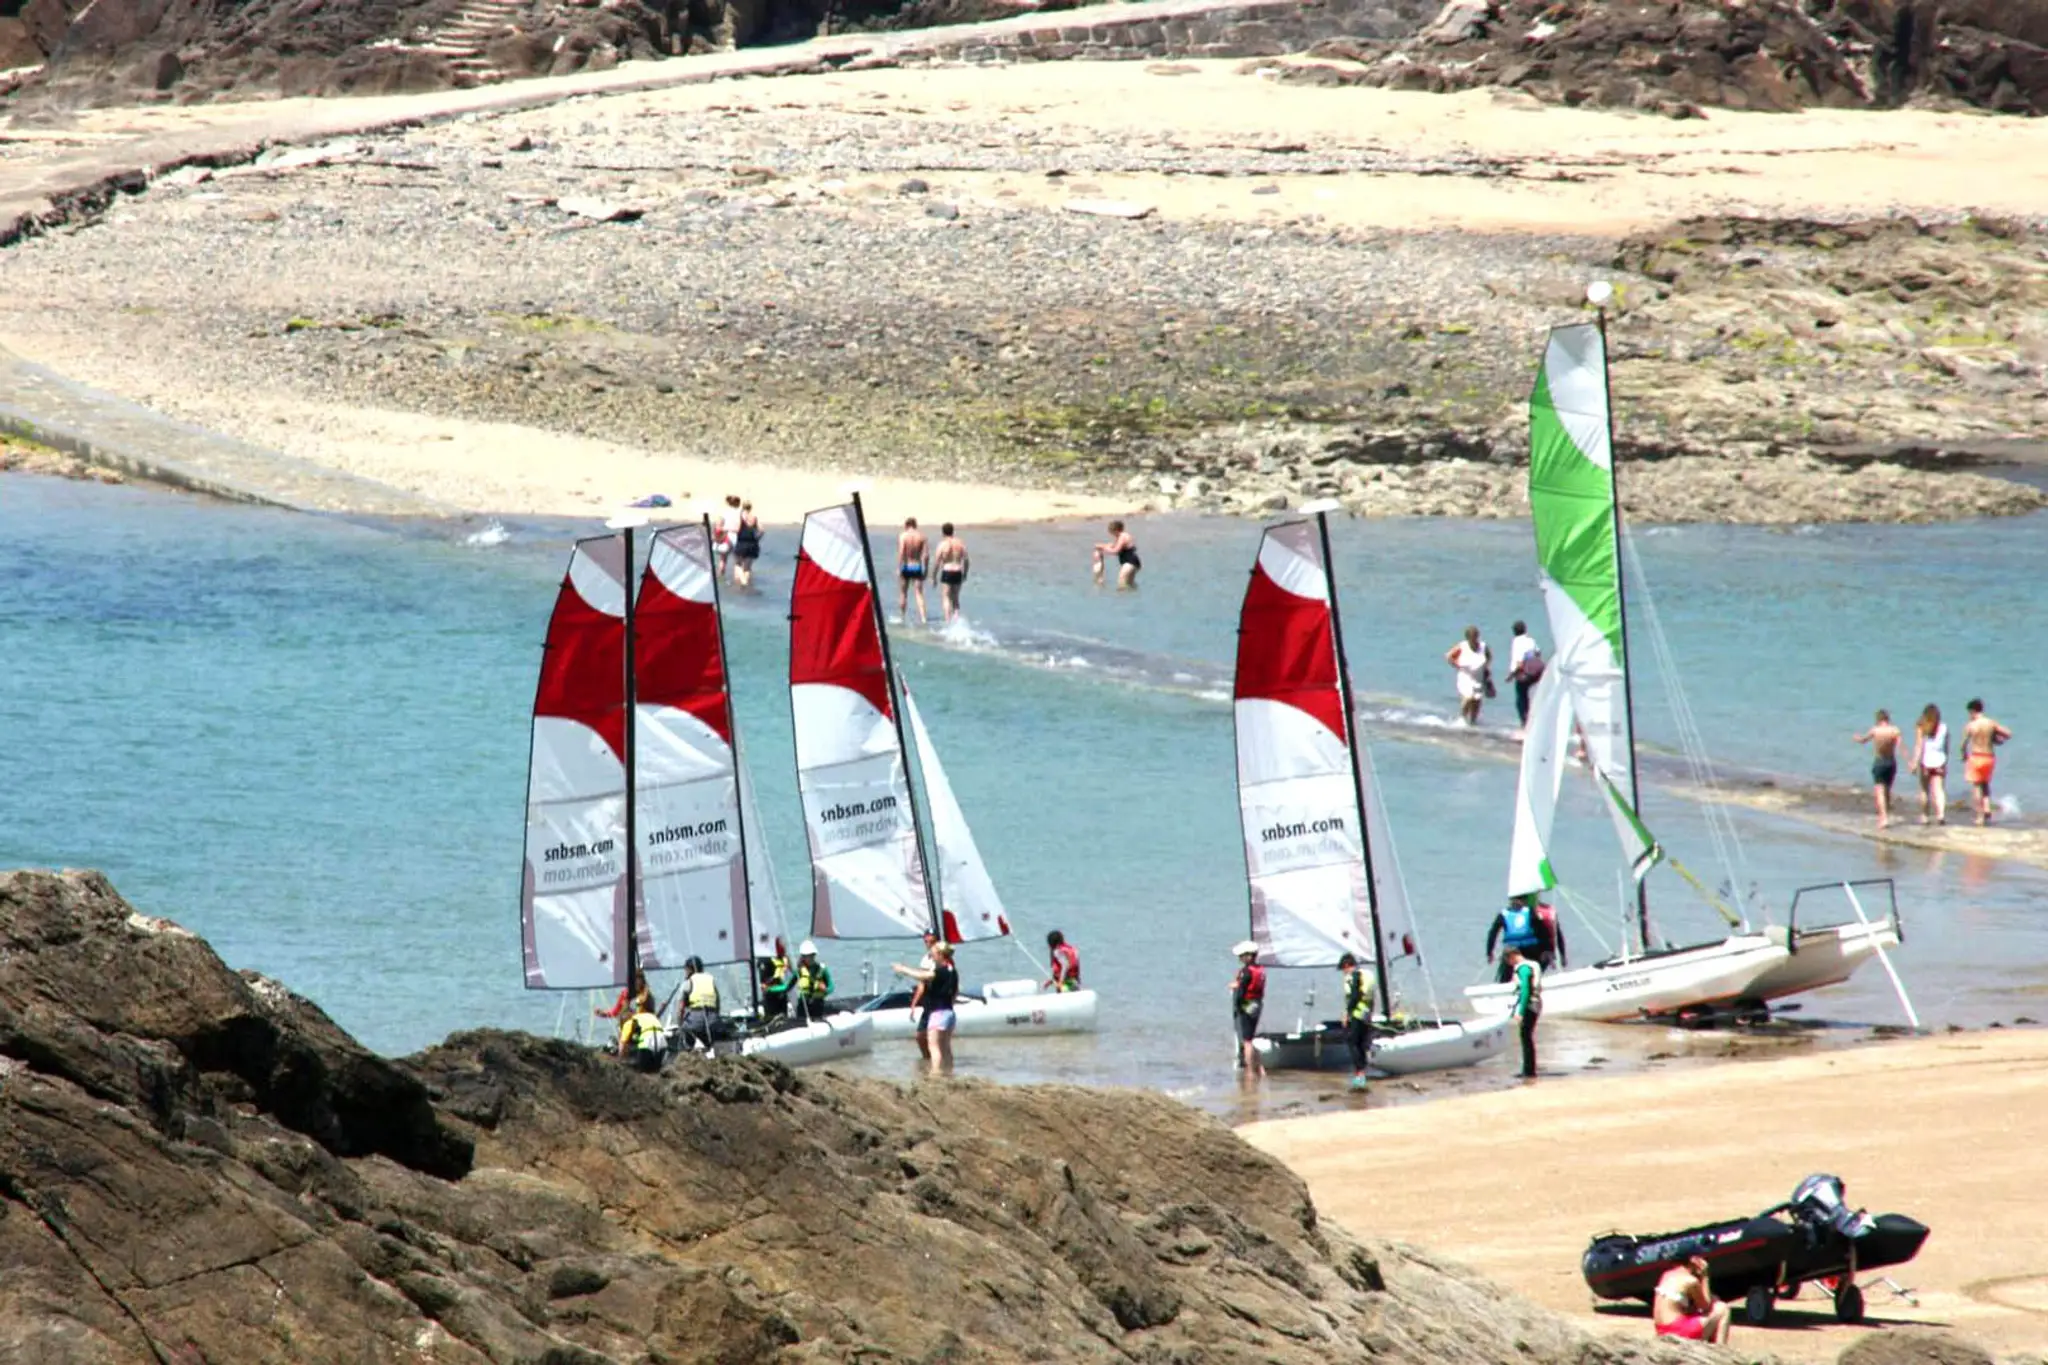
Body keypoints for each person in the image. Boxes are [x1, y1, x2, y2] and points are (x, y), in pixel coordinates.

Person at [891, 942, 958, 1074]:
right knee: (946, 1047)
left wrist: (903, 969)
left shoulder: (940, 971)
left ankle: (936, 1074)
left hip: (938, 1014)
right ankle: (949, 1072)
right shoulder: (953, 971)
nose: (932, 957)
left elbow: (923, 976)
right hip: (949, 1013)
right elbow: (955, 993)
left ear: (940, 955)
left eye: (933, 955)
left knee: (934, 1047)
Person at [1652, 1254, 1732, 1343]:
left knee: (1711, 1308)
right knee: (1723, 1309)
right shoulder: (1690, 1281)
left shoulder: (1666, 1275)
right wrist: (1705, 1275)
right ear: (1694, 1260)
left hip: (1661, 1329)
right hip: (1678, 1331)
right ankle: (1720, 1350)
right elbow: (1706, 1306)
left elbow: (1682, 1304)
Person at [1961, 698, 2013, 826]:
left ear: (1972, 711)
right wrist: (1996, 739)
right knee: (1985, 785)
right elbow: (2008, 733)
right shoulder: (1991, 723)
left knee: (1976, 787)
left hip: (1976, 756)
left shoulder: (1971, 725)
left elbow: (1963, 744)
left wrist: (1963, 756)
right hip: (1989, 757)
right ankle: (1987, 809)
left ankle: (1979, 815)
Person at [1853, 709, 1903, 829]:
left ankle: (1883, 818)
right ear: (1888, 719)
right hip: (1891, 763)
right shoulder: (1895, 730)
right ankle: (1887, 813)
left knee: (1880, 791)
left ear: (1878, 719)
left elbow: (1863, 740)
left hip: (1879, 762)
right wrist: (1910, 761)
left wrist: (1856, 738)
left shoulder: (1875, 730)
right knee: (1887, 790)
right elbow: (1901, 747)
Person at [1485, 895, 1544, 982]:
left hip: (1523, 950)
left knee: (1512, 976)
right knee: (1525, 973)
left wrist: (1489, 953)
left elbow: (1493, 933)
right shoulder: (1529, 911)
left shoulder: (1505, 914)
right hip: (1519, 950)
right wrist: (1490, 952)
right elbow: (1541, 931)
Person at [1908, 703, 1949, 826]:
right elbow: (1946, 746)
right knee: (1939, 790)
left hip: (1926, 762)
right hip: (1940, 762)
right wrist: (1946, 760)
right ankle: (1940, 815)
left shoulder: (1921, 727)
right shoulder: (1944, 727)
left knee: (1924, 791)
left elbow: (1919, 746)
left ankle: (1925, 816)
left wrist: (1914, 762)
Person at [1505, 944, 1541, 1080]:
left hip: (1530, 1005)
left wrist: (1520, 1011)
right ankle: (1529, 1069)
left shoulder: (1524, 968)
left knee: (1525, 1036)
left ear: (1512, 956)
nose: (1508, 964)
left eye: (1507, 960)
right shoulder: (1532, 965)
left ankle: (1529, 1071)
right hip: (1535, 1003)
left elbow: (1526, 989)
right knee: (1527, 1036)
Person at [1339, 952, 1374, 1092]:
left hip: (1357, 1015)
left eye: (1343, 969)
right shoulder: (1367, 975)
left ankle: (1360, 1075)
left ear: (1347, 965)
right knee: (1361, 1044)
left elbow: (1354, 996)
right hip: (1366, 1014)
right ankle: (1362, 1075)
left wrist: (1347, 1015)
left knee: (1353, 1043)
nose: (1343, 972)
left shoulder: (1355, 976)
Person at [1445, 625, 1492, 726]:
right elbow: (1449, 656)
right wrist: (1457, 665)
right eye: (1472, 637)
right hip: (1465, 676)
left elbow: (1489, 657)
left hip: (1478, 677)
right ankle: (1461, 719)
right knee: (1468, 697)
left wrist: (1486, 668)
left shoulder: (1483, 646)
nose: (1475, 639)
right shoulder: (1463, 646)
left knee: (1477, 700)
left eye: (1476, 636)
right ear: (1468, 638)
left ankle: (1472, 723)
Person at [1230, 940, 1265, 1075]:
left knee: (1247, 1040)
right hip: (1257, 1003)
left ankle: (1249, 1071)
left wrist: (1238, 1005)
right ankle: (1260, 1069)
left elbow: (1242, 991)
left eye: (1242, 955)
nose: (1240, 958)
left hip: (1247, 1003)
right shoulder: (1260, 969)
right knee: (1250, 1036)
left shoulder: (1247, 971)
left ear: (1249, 956)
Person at [1506, 620, 1544, 731]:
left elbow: (1519, 662)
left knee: (1521, 698)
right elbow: (1538, 652)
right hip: (1538, 671)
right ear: (1525, 629)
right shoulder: (1531, 640)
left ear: (1514, 632)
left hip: (1524, 673)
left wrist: (1511, 675)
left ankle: (1525, 724)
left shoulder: (1516, 642)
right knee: (1531, 694)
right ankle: (1534, 720)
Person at [679, 955, 720, 1051]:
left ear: (689, 969)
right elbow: (718, 1003)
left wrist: (679, 1025)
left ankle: (687, 1052)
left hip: (696, 1021)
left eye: (686, 970)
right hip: (713, 1020)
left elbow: (680, 1008)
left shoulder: (688, 982)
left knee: (684, 1031)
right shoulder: (710, 979)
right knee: (709, 1040)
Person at [617, 1001, 667, 1072]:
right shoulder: (647, 1016)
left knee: (641, 1070)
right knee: (656, 1069)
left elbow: (622, 1043)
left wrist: (619, 1059)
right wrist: (662, 1008)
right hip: (662, 1041)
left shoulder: (630, 1021)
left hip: (647, 1042)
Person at [935, 522, 970, 624]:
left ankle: (947, 621)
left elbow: (937, 561)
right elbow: (967, 560)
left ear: (943, 532)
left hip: (947, 571)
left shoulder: (942, 544)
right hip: (958, 571)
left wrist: (933, 576)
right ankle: (956, 620)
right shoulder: (960, 543)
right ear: (953, 531)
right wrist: (965, 573)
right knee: (955, 598)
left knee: (946, 597)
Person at [897, 517, 930, 624]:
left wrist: (899, 567)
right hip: (917, 566)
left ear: (906, 525)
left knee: (903, 593)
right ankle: (924, 619)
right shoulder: (922, 536)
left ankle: (902, 617)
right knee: (919, 594)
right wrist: (926, 570)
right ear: (915, 525)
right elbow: (926, 556)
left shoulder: (903, 536)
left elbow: (901, 552)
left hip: (906, 566)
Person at [1092, 521, 1141, 590]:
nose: (1112, 534)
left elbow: (1116, 551)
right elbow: (1113, 545)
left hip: (1130, 562)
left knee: (1122, 582)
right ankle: (1133, 596)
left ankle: (1122, 598)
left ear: (1116, 530)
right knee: (1129, 583)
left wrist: (1104, 549)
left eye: (1111, 532)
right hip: (1132, 562)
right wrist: (1101, 546)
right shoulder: (1121, 536)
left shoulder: (1123, 537)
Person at [792, 940, 834, 1021]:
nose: (809, 958)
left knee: (817, 1022)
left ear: (814, 955)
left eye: (811, 955)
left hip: (817, 1005)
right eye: (806, 956)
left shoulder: (822, 969)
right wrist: (771, 989)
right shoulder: (799, 971)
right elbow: (788, 986)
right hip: (803, 1005)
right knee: (801, 1023)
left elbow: (831, 987)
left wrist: (826, 990)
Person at [731, 500, 763, 590]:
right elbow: (762, 530)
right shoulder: (754, 518)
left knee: (737, 564)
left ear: (742, 507)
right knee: (747, 567)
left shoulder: (741, 517)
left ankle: (744, 582)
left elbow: (737, 529)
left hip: (742, 543)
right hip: (753, 544)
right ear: (751, 507)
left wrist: (728, 529)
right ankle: (745, 586)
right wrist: (757, 538)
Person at [757, 954, 792, 1021]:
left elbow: (789, 976)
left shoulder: (783, 958)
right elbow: (763, 982)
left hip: (781, 995)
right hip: (770, 996)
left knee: (783, 1020)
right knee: (770, 1020)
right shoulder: (763, 959)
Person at [717, 494, 743, 581]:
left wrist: (723, 529)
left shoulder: (724, 512)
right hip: (736, 536)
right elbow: (739, 527)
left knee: (723, 559)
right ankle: (738, 581)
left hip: (726, 536)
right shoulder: (739, 513)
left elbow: (718, 525)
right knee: (737, 562)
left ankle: (720, 579)